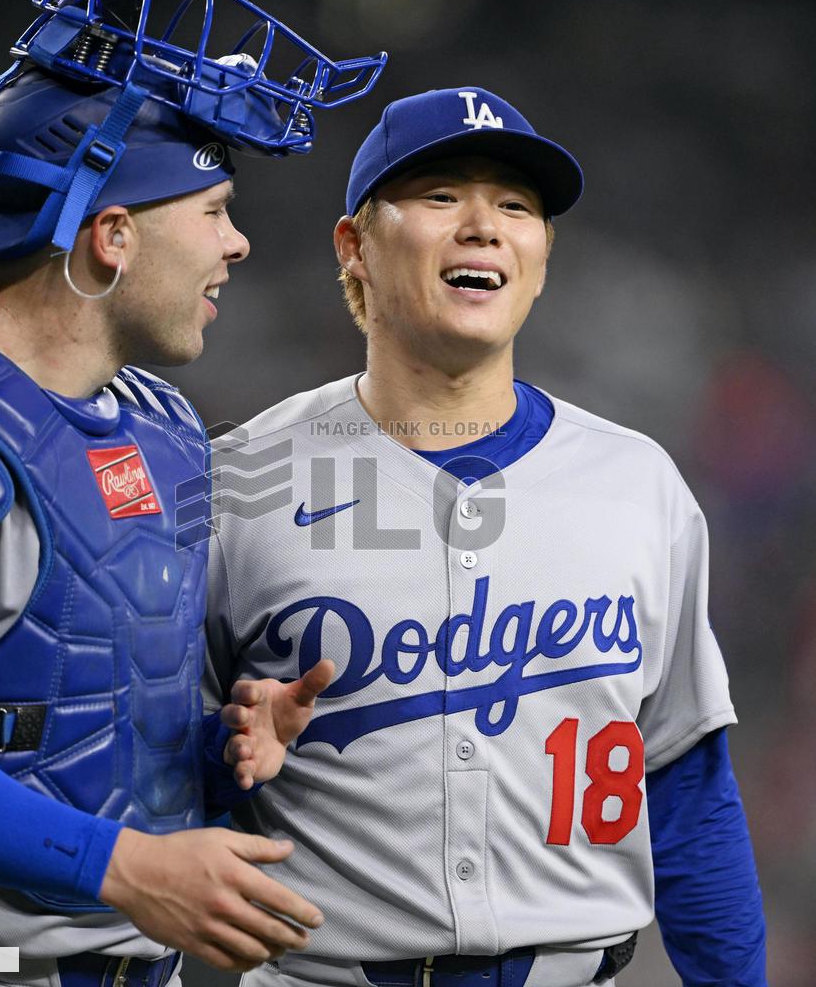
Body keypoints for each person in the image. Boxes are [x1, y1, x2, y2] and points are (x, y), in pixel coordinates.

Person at [0, 0, 385, 985]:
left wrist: (220, 747)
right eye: (213, 211)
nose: (235, 245)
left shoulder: (161, 428)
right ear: (111, 234)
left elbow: (71, 715)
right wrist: (123, 866)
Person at [205, 87, 768, 987]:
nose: (484, 225)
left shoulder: (638, 483)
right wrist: (225, 757)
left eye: (515, 206)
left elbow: (689, 794)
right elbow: (147, 787)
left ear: (542, 259)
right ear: (354, 246)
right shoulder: (236, 482)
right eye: (438, 197)